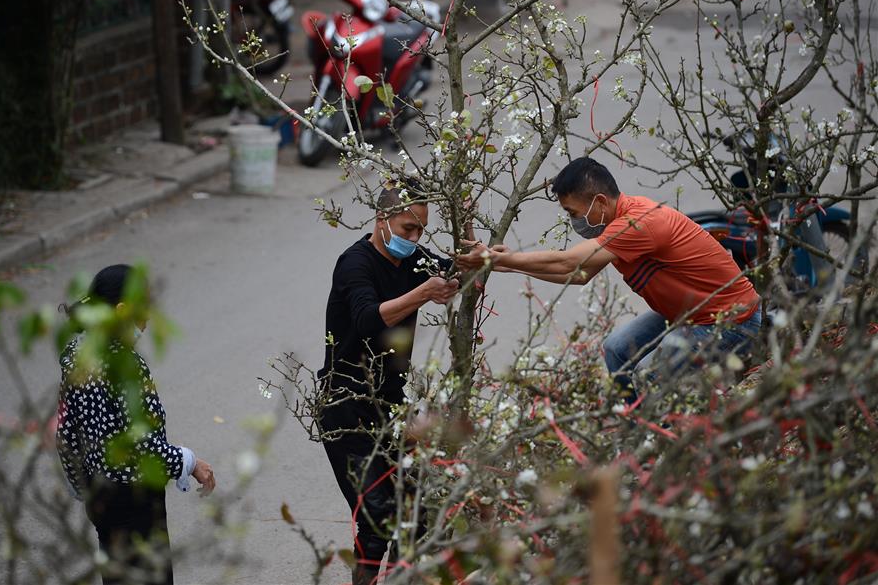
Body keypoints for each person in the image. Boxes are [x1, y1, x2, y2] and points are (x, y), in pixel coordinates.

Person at [456, 157, 761, 401]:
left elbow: (570, 261)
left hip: (731, 318)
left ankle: (660, 444)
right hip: (690, 313)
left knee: (646, 374)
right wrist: (509, 265)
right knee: (617, 348)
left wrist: (497, 258)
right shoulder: (617, 223)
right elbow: (579, 275)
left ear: (600, 202)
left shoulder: (638, 223)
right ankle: (635, 432)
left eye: (572, 212)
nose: (572, 220)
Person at [318, 182, 459, 585]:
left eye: (421, 231)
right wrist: (423, 293)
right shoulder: (355, 264)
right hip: (345, 404)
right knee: (378, 518)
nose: (414, 239)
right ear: (382, 220)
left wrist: (464, 261)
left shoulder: (415, 258)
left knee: (412, 518)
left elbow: (457, 272)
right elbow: (366, 318)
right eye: (407, 228)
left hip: (391, 406)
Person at [56, 264, 216, 585]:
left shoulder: (76, 355)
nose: (147, 321)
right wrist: (189, 462)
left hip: (101, 498)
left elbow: (67, 434)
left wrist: (82, 486)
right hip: (136, 500)